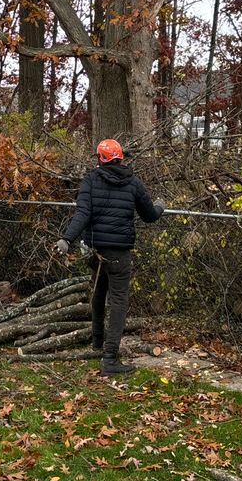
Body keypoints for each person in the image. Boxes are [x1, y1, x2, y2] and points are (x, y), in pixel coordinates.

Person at [55, 139, 164, 374]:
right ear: (121, 158)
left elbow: (83, 213)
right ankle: (110, 358)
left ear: (99, 159)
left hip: (96, 251)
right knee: (118, 302)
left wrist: (67, 239)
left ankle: (97, 341)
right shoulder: (133, 182)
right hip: (119, 253)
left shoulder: (91, 181)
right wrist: (160, 207)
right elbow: (150, 216)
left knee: (98, 292)